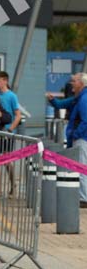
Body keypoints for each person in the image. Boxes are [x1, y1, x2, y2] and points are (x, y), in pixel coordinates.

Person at [48, 72, 87, 207]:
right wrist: (53, 100)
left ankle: (83, 198)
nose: (71, 84)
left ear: (81, 83)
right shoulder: (78, 98)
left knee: (81, 167)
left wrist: (76, 135)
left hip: (82, 138)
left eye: (74, 81)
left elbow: (85, 121)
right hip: (79, 138)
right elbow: (61, 104)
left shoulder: (83, 99)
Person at [0, 71, 23, 135]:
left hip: (7, 132)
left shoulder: (12, 96)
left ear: (5, 81)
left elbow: (18, 116)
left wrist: (9, 130)